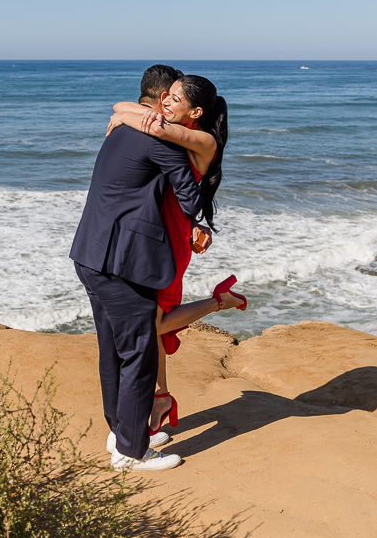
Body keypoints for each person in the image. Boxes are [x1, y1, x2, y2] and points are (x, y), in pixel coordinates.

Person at [69, 68, 205, 472]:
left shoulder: (121, 130)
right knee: (140, 354)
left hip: (90, 254)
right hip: (121, 263)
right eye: (172, 97)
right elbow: (190, 196)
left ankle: (122, 431)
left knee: (112, 351)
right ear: (163, 98)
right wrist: (199, 221)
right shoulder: (158, 139)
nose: (170, 105)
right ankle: (131, 452)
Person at [107, 70, 247, 439]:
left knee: (151, 323)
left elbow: (144, 121)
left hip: (167, 242)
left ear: (196, 112)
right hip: (158, 233)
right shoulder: (170, 125)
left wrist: (126, 117)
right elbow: (125, 105)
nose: (165, 102)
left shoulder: (203, 141)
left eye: (175, 99)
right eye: (165, 96)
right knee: (149, 322)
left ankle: (219, 302)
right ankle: (160, 398)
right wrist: (127, 112)